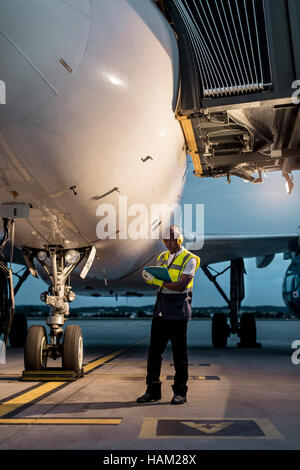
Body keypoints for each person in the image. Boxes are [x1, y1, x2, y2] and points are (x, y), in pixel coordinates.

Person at [136, 225, 200, 405]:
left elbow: (180, 286)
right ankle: (152, 391)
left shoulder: (190, 259)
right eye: (167, 241)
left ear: (180, 240)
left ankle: (180, 393)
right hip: (161, 312)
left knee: (180, 357)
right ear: (163, 242)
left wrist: (156, 280)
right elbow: (162, 281)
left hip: (179, 313)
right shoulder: (162, 257)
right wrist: (149, 276)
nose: (170, 244)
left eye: (173, 240)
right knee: (153, 355)